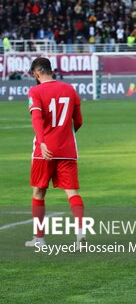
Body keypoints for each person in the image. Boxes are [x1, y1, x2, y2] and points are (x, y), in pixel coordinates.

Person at [25, 57, 85, 247]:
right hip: (67, 149)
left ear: (36, 73)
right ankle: (80, 235)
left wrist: (42, 142)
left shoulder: (35, 91)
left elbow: (36, 119)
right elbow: (79, 121)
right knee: (72, 192)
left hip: (44, 151)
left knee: (38, 193)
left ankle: (39, 238)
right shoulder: (69, 89)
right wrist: (65, 135)